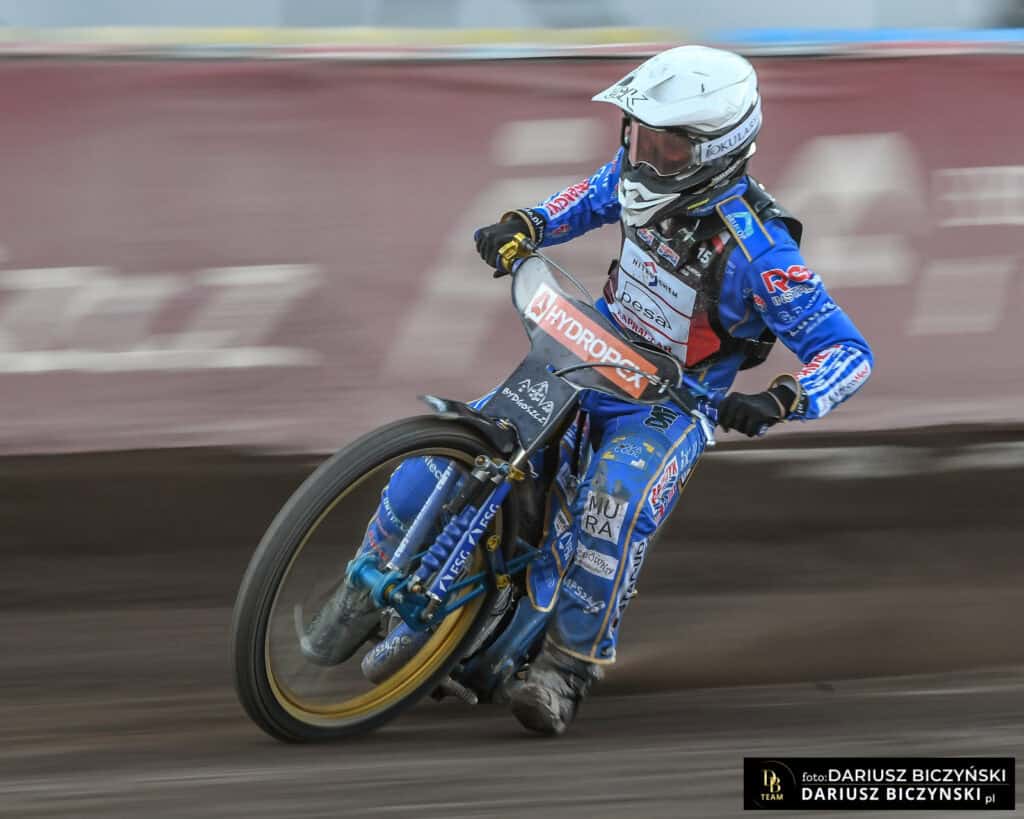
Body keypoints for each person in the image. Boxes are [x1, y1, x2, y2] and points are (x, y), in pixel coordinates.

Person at [324, 45, 873, 737]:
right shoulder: (637, 173)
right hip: (585, 350)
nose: (644, 156)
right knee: (450, 453)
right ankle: (363, 580)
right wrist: (528, 224)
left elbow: (849, 352)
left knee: (610, 507)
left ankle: (565, 669)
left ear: (715, 152)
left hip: (669, 405)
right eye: (638, 135)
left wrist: (783, 398)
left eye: (667, 146)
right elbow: (588, 199)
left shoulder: (761, 253)